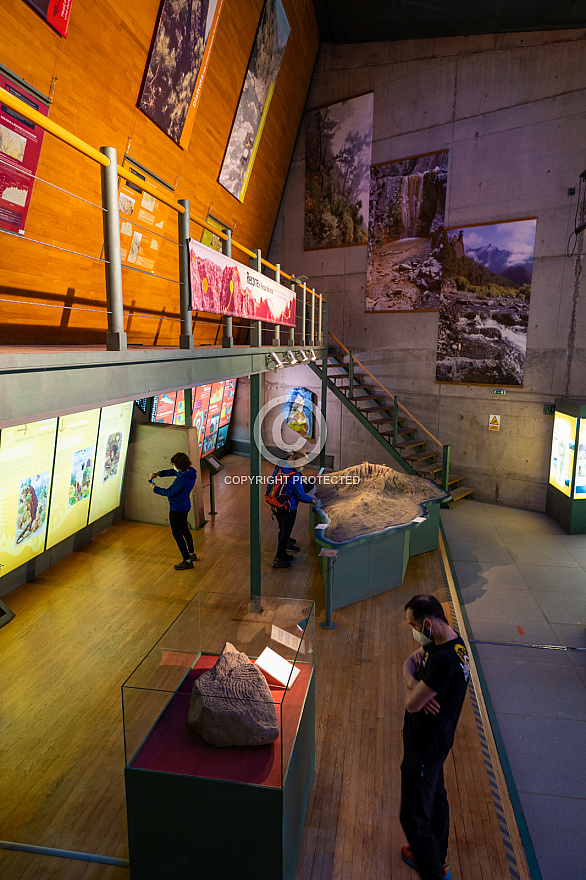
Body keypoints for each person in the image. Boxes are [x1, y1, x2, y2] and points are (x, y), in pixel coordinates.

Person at [400, 594, 470, 880]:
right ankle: (438, 859)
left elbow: (413, 703)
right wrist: (416, 682)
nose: (413, 631)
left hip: (426, 747)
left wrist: (412, 681)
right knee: (437, 799)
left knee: (412, 817)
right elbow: (413, 664)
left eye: (413, 625)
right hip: (437, 742)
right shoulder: (453, 643)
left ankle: (433, 871)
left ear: (427, 623)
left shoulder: (442, 662)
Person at [266, 451, 318, 569]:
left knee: (283, 529)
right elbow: (300, 495)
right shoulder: (295, 476)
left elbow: (271, 483)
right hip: (289, 508)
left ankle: (283, 553)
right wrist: (311, 500)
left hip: (276, 505)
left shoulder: (280, 468)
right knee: (286, 532)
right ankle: (278, 558)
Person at [149, 452, 198, 570]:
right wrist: (159, 474)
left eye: (174, 464)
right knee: (185, 530)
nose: (173, 466)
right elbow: (173, 472)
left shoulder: (181, 480)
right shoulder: (191, 472)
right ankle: (191, 554)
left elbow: (169, 492)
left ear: (178, 465)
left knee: (177, 534)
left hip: (176, 509)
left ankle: (187, 561)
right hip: (185, 506)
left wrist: (154, 488)